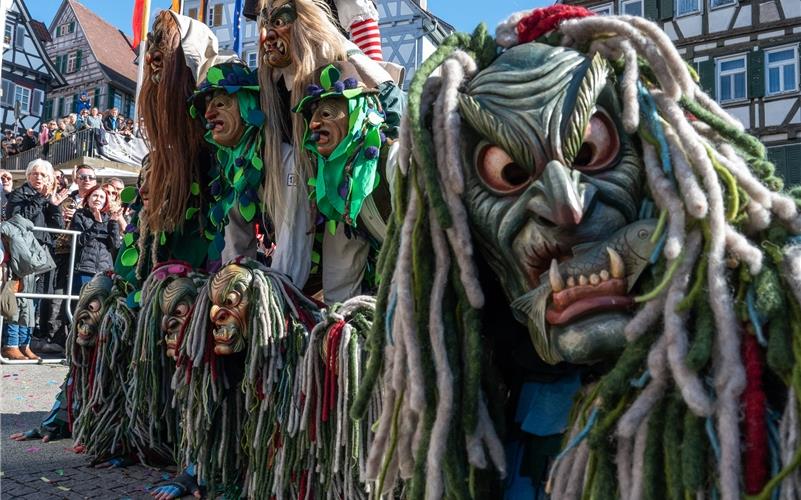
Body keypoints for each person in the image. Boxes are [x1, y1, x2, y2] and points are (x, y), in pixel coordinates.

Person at [3, 159, 67, 360]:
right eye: (35, 173)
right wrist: (41, 198)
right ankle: (11, 344)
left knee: (34, 303)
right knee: (19, 299)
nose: (39, 177)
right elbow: (21, 220)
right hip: (23, 256)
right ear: (28, 175)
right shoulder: (18, 195)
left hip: (43, 254)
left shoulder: (47, 198)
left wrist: (54, 206)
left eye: (43, 175)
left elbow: (57, 228)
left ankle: (26, 344)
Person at [68, 186, 120, 291]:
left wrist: (114, 223)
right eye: (95, 195)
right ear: (88, 198)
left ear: (105, 202)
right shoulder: (80, 215)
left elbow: (115, 245)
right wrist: (97, 224)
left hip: (105, 271)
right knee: (82, 303)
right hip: (84, 268)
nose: (98, 199)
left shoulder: (109, 218)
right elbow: (78, 241)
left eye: (101, 197)